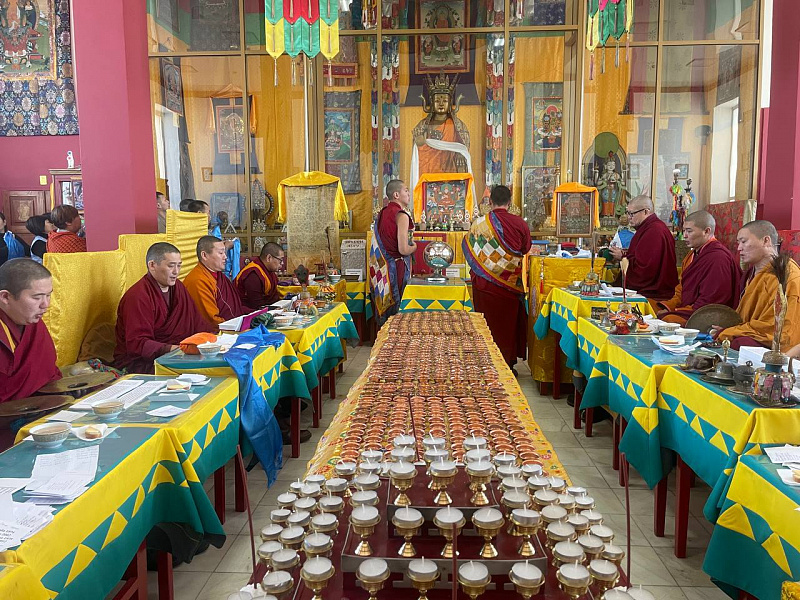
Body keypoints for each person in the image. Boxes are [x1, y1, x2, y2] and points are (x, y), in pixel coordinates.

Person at [114, 242, 216, 373]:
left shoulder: (178, 288)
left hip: (178, 354)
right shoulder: (138, 296)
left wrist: (210, 340)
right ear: (152, 265)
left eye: (179, 265)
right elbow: (138, 343)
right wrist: (176, 349)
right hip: (144, 362)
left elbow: (197, 322)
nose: (176, 272)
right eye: (171, 266)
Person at [463, 185, 531, 371]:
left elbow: (470, 251)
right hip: (509, 283)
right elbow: (525, 248)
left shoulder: (478, 224)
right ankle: (508, 364)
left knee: (487, 323)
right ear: (510, 202)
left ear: (490, 201)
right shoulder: (519, 223)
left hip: (485, 283)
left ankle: (486, 364)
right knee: (507, 325)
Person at [711, 220, 800, 350]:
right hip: (754, 332)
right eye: (738, 243)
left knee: (740, 343)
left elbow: (778, 328)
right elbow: (745, 318)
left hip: (778, 345)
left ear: (766, 241)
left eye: (744, 241)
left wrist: (733, 331)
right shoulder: (750, 274)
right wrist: (732, 329)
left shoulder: (786, 274)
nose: (739, 248)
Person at [656, 210, 741, 325]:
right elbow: (682, 288)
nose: (685, 235)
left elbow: (712, 301)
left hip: (707, 314)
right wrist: (670, 306)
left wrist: (677, 311)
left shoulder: (718, 258)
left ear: (706, 231)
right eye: (684, 231)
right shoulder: (693, 255)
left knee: (668, 320)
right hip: (692, 309)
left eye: (689, 231)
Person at [0, 259, 62, 402]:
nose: (45, 305)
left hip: (40, 404)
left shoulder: (32, 322)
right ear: (5, 297)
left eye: (48, 295)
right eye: (37, 297)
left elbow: (48, 373)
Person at [609, 195, 678, 305]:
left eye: (632, 214)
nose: (629, 217)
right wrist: (625, 254)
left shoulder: (654, 231)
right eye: (627, 213)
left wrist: (623, 257)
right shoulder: (648, 228)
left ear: (646, 211)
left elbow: (645, 270)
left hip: (653, 294)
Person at [369, 179, 417, 323]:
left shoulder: (382, 213)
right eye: (406, 191)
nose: (408, 194)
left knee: (386, 308)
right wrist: (414, 247)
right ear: (396, 195)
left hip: (382, 268)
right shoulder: (401, 215)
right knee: (397, 311)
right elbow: (403, 249)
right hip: (397, 269)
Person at [184, 235, 246, 325]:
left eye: (224, 252)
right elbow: (211, 321)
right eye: (221, 253)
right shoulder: (198, 281)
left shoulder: (218, 275)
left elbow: (234, 308)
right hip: (217, 330)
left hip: (232, 324)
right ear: (204, 255)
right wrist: (237, 327)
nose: (225, 257)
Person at [235, 242, 285, 310]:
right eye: (280, 260)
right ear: (269, 258)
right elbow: (256, 305)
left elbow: (274, 298)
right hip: (247, 312)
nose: (282, 263)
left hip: (267, 309)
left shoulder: (269, 271)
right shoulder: (253, 274)